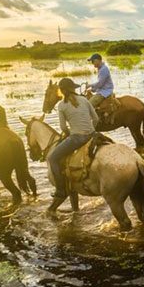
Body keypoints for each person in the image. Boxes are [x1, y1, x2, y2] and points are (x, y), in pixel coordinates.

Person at [48, 78, 99, 212]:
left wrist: (71, 133)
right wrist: (91, 131)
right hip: (92, 135)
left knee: (52, 158)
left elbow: (63, 127)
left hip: (77, 138)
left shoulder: (62, 105)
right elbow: (96, 119)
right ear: (74, 88)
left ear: (62, 91)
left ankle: (60, 190)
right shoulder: (84, 100)